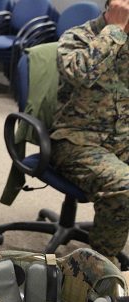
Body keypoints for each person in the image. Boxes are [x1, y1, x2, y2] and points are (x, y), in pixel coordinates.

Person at [50, 0, 128, 268]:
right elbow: (81, 73)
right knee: (125, 185)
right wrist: (115, 30)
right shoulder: (78, 37)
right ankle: (98, 270)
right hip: (76, 141)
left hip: (123, 140)